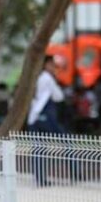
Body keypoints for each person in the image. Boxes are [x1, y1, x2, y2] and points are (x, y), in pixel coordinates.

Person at [27, 55, 67, 186]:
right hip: (43, 116)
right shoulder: (48, 78)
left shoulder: (37, 78)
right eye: (51, 65)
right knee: (65, 140)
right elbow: (59, 96)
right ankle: (74, 171)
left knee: (38, 149)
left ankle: (39, 178)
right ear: (45, 65)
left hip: (33, 117)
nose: (53, 68)